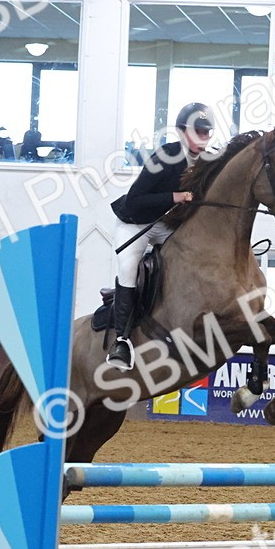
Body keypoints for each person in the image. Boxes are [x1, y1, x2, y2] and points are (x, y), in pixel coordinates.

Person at [106, 102, 214, 370]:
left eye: (206, 132)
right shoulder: (164, 156)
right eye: (197, 130)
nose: (203, 137)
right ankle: (121, 341)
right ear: (181, 131)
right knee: (129, 267)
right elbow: (134, 200)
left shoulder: (210, 162)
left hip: (167, 225)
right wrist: (174, 197)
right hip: (136, 222)